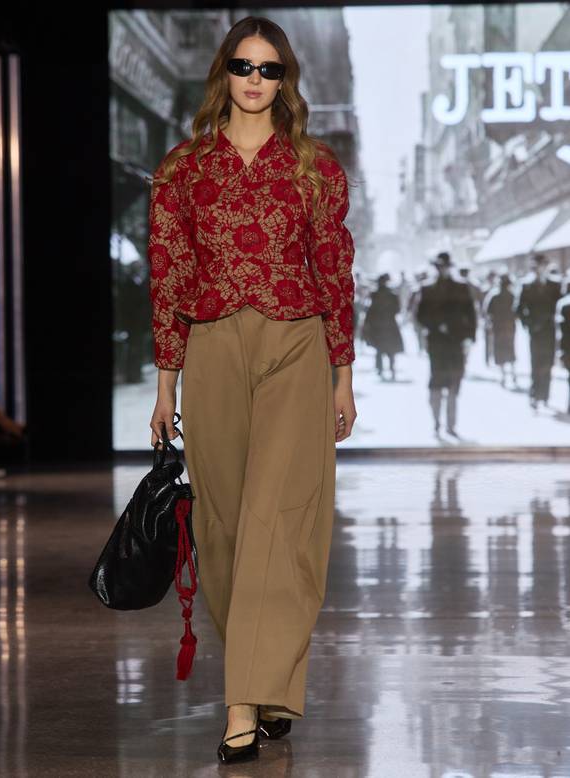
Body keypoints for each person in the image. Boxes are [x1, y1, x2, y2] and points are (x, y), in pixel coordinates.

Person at [146, 16, 357, 765]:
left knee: (278, 521)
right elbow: (169, 276)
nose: (255, 79)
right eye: (243, 65)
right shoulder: (183, 170)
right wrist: (166, 385)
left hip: (295, 343)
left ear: (285, 79)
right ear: (224, 73)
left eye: (270, 69)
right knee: (225, 530)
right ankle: (269, 686)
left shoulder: (313, 167)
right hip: (211, 347)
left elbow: (335, 269)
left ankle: (241, 706)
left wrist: (343, 374)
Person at [415, 252, 476, 437]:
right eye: (440, 267)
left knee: (454, 384)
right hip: (437, 344)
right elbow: (420, 316)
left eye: (446, 267)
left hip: (456, 343)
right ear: (436, 268)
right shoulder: (427, 288)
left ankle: (451, 425)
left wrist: (470, 337)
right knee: (436, 384)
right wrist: (436, 326)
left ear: (450, 267)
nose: (443, 270)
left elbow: (471, 314)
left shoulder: (461, 287)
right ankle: (436, 423)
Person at [515, 253, 563, 410]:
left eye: (542, 266)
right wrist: (528, 324)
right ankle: (535, 394)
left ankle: (545, 396)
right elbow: (518, 308)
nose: (539, 269)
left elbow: (560, 305)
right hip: (535, 332)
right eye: (536, 267)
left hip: (549, 330)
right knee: (536, 363)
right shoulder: (526, 285)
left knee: (548, 363)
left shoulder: (555, 285)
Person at [361, 272, 404, 380]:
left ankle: (380, 369)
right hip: (389, 324)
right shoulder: (392, 295)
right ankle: (391, 369)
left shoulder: (374, 294)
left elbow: (369, 310)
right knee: (390, 349)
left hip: (378, 325)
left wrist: (367, 323)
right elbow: (397, 310)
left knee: (379, 348)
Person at [483, 273, 517, 388]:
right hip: (509, 327)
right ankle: (513, 374)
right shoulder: (512, 296)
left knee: (500, 350)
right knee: (510, 349)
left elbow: (487, 312)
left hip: (498, 328)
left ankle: (503, 376)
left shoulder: (493, 296)